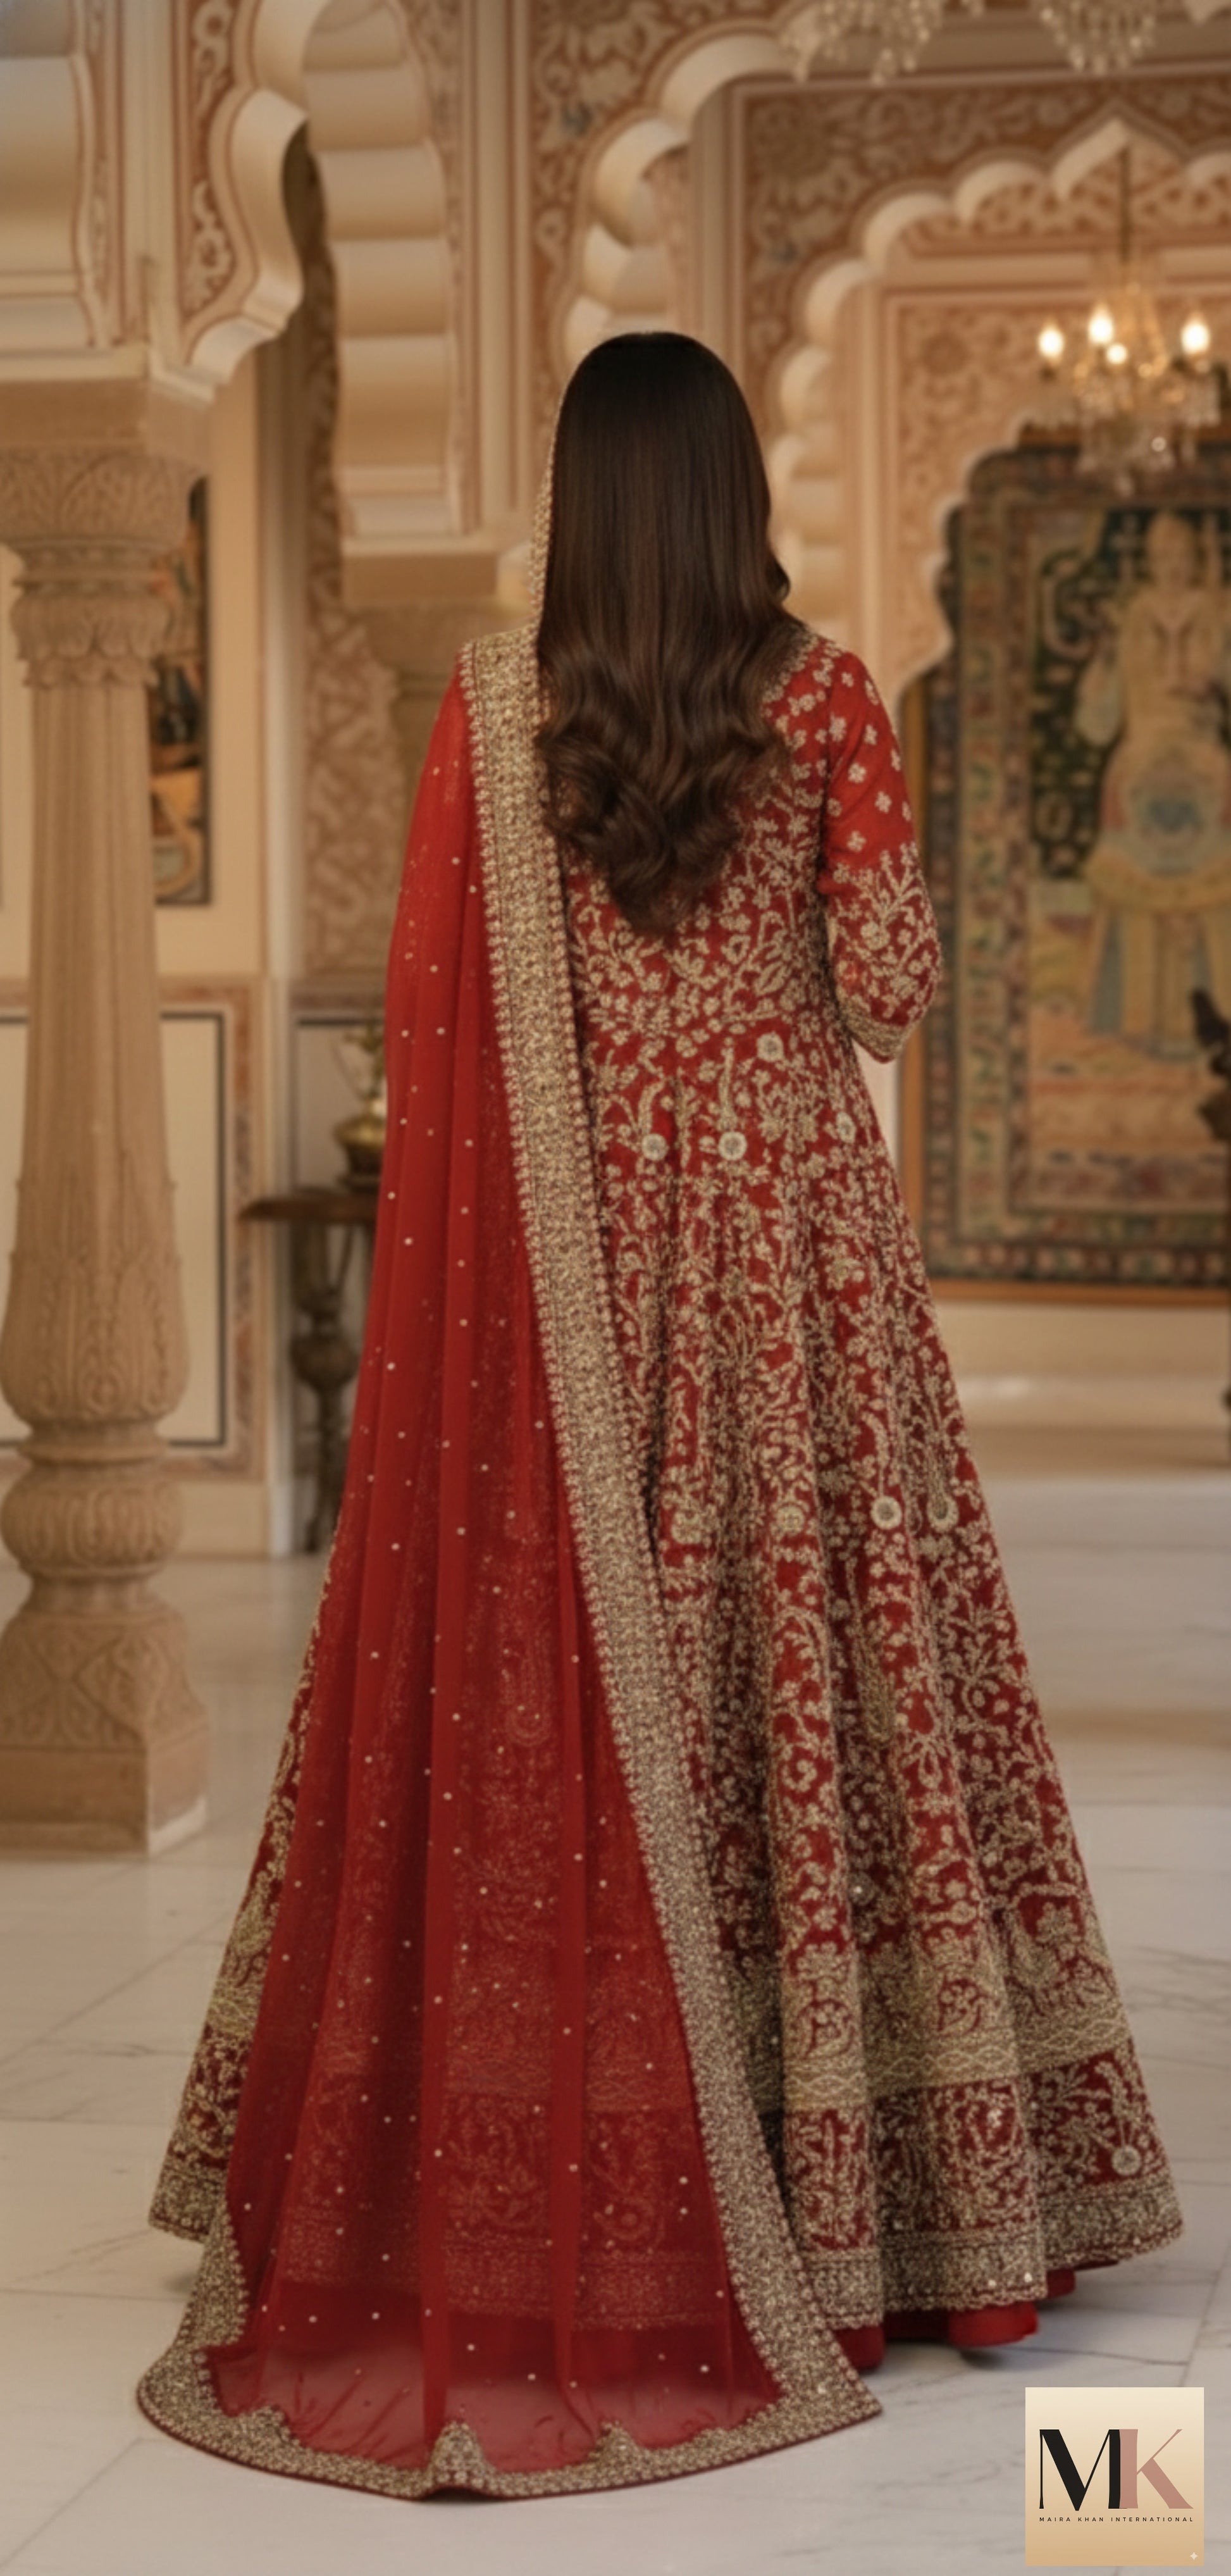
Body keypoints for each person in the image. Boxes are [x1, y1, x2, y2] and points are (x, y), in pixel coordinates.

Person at [139, 333, 1180, 2499]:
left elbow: (447, 1025)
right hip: (794, 1269)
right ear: (735, 493)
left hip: (572, 1271)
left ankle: (563, 2166)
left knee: (577, 1696)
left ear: (580, 500)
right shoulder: (826, 699)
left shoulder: (494, 717)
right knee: (814, 1688)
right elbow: (887, 988)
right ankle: (859, 2196)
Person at [1076, 508, 1231, 1052]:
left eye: (1181, 556)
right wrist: (1102, 666)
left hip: (1202, 752)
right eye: (1162, 557)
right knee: (1129, 793)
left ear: (1195, 559)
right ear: (1149, 562)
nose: (1172, 566)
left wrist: (1212, 685)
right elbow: (1099, 722)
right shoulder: (1135, 617)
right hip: (1141, 753)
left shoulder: (1217, 613)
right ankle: (1138, 1016)